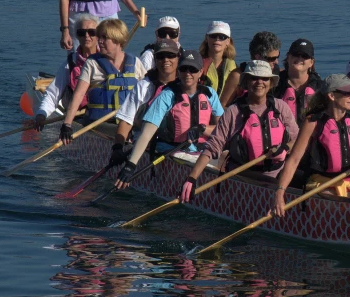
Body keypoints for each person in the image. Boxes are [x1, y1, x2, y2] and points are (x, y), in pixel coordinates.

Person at [178, 60, 299, 202]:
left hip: (279, 171)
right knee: (277, 184)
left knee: (304, 179)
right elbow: (212, 148)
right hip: (243, 174)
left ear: (271, 82)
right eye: (254, 78)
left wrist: (285, 148)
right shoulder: (233, 112)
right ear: (246, 81)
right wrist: (192, 178)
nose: (259, 82)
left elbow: (297, 139)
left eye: (265, 78)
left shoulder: (281, 107)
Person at [113, 50, 224, 189]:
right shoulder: (166, 96)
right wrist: (131, 165)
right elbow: (147, 133)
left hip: (201, 151)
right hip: (172, 150)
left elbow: (224, 129)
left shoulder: (210, 94)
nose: (188, 73)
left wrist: (202, 129)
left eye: (193, 69)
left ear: (201, 72)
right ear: (178, 71)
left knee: (226, 159)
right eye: (184, 69)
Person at [272, 74, 350, 217]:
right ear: (332, 96)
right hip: (322, 184)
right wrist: (280, 192)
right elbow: (294, 160)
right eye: (347, 93)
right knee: (337, 208)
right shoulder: (312, 122)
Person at [59, 19, 147, 144]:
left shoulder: (135, 62)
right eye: (99, 37)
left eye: (104, 38)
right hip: (101, 124)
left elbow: (148, 94)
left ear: (117, 40)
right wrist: (67, 124)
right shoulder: (92, 63)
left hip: (130, 122)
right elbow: (78, 95)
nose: (99, 41)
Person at [108, 39, 180, 166]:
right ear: (155, 59)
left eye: (170, 55)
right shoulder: (143, 86)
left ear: (178, 57)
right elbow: (126, 120)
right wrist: (118, 147)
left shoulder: (185, 85)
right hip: (146, 145)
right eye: (160, 56)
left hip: (178, 146)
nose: (165, 60)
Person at [34, 14, 99, 131]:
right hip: (78, 118)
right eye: (81, 32)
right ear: (77, 37)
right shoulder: (70, 63)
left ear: (99, 35)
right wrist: (41, 114)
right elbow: (53, 94)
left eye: (92, 32)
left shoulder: (107, 60)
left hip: (102, 116)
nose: (87, 36)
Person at [219, 31, 282, 107]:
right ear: (258, 57)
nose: (276, 62)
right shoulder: (237, 76)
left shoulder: (280, 74)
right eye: (272, 58)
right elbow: (223, 105)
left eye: (277, 57)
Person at [273, 38, 322, 126]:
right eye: (296, 54)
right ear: (288, 57)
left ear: (311, 62)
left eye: (305, 56)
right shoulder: (275, 84)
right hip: (284, 137)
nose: (300, 58)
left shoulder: (320, 87)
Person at [198, 21, 237, 97]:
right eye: (213, 36)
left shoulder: (234, 67)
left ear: (228, 41)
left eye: (222, 37)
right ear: (207, 38)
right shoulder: (197, 64)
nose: (217, 39)